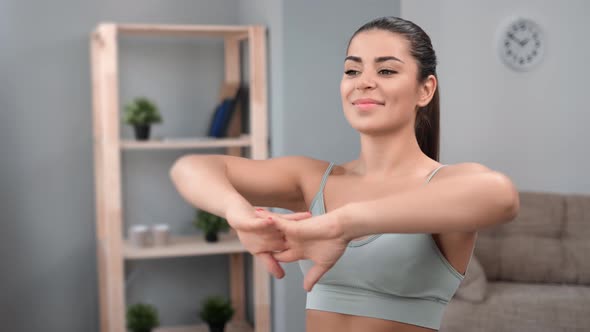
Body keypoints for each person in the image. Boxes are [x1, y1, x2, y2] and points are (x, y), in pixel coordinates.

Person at [170, 16, 519, 332]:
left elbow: (501, 196)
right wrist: (240, 214)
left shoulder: (443, 186)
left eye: (386, 71)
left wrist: (341, 225)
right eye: (352, 70)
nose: (363, 82)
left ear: (425, 89)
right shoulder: (313, 180)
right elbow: (191, 168)